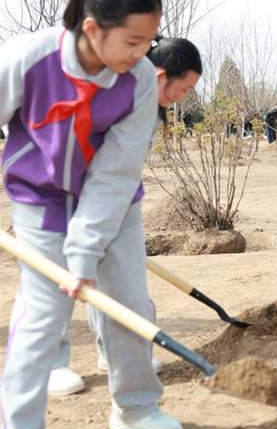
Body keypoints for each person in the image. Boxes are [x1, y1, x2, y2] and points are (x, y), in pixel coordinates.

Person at [0, 0, 184, 429]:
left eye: (149, 41)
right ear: (92, 28)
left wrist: (84, 252)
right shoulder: (27, 57)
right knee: (41, 321)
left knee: (128, 305)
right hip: (40, 200)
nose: (142, 54)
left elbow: (115, 173)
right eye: (132, 41)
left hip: (113, 206)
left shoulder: (139, 79)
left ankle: (136, 408)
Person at [48, 37, 203, 398]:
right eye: (185, 88)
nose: (185, 97)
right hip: (64, 193)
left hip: (118, 198)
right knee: (57, 277)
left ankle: (120, 355)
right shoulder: (105, 90)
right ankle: (51, 363)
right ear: (161, 76)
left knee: (124, 284)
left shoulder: (151, 108)